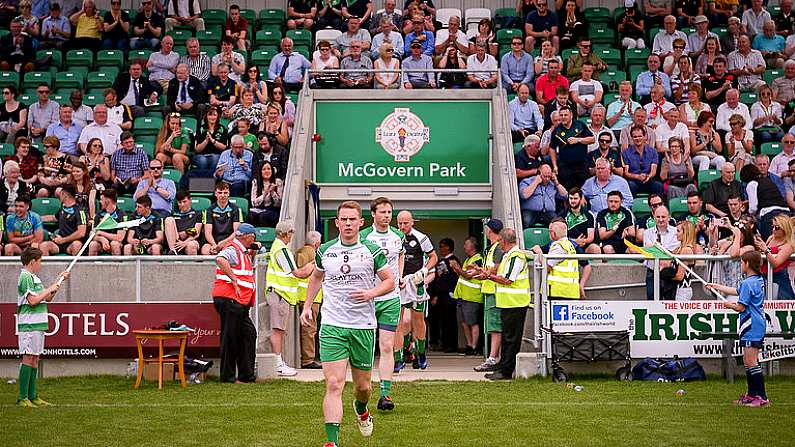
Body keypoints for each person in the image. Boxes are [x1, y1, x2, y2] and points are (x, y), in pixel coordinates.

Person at [300, 201, 395, 447]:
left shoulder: (372, 250)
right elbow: (316, 277)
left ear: (361, 222)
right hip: (332, 325)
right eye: (344, 219)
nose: (348, 223)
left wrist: (371, 293)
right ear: (337, 223)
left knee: (363, 387)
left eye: (353, 219)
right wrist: (307, 306)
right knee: (333, 384)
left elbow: (389, 281)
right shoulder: (325, 250)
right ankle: (332, 442)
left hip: (362, 326)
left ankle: (361, 408)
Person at [706, 251, 770, 407]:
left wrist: (730, 305)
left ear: (747, 264)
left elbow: (741, 307)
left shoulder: (749, 283)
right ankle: (751, 394)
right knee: (748, 361)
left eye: (741, 262)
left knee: (751, 361)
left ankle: (761, 397)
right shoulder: (755, 280)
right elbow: (736, 291)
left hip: (751, 324)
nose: (740, 265)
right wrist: (716, 286)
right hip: (753, 323)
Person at [358, 197, 405, 409]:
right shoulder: (364, 236)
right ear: (373, 214)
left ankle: (385, 394)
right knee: (365, 348)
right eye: (383, 212)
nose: (387, 216)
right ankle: (363, 389)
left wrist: (400, 277)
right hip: (368, 299)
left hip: (391, 299)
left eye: (389, 212)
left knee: (386, 346)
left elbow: (400, 256)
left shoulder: (398, 236)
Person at [14, 247, 69, 408]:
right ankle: (23, 397)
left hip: (39, 323)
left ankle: (33, 396)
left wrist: (58, 281)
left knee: (35, 357)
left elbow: (47, 298)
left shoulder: (35, 278)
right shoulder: (25, 277)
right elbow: (32, 301)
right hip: (29, 324)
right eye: (40, 261)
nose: (41, 264)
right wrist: (50, 288)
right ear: (32, 261)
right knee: (28, 357)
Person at [263, 221, 314, 376]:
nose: (292, 236)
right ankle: (278, 364)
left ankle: (279, 362)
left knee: (280, 330)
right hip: (279, 295)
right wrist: (313, 266)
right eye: (291, 232)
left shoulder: (279, 248)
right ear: (285, 233)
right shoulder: (281, 250)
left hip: (281, 295)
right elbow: (298, 274)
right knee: (278, 331)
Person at [211, 222, 258, 383]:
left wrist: (255, 247)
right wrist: (234, 280)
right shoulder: (233, 250)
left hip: (238, 301)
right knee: (230, 337)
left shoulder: (242, 250)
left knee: (248, 334)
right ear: (248, 237)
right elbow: (220, 259)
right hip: (231, 299)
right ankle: (228, 377)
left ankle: (246, 375)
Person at [483, 228, 530, 381]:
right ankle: (503, 367)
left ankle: (506, 371)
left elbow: (508, 279)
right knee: (507, 338)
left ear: (504, 241)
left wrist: (490, 277)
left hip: (515, 304)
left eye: (500, 242)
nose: (499, 244)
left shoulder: (516, 256)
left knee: (511, 339)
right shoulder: (509, 255)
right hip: (509, 303)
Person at [395, 210, 437, 371]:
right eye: (400, 223)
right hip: (399, 283)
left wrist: (424, 271)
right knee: (398, 322)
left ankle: (421, 353)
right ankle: (399, 358)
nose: (402, 226)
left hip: (416, 282)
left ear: (412, 222)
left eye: (406, 223)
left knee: (417, 320)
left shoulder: (421, 237)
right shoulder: (393, 238)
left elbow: (433, 257)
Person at [472, 218, 504, 373]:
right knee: (492, 326)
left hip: (494, 292)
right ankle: (494, 358)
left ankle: (493, 358)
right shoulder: (492, 248)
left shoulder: (498, 248)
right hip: (490, 291)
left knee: (495, 327)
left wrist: (483, 274)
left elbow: (497, 269)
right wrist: (479, 271)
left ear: (489, 230)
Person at [637, 205, 680, 300]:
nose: (660, 220)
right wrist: (662, 250)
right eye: (658, 217)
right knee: (652, 302)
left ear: (669, 217)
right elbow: (650, 252)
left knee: (669, 302)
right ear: (653, 217)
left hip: (669, 272)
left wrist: (657, 249)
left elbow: (672, 252)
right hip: (652, 271)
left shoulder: (676, 232)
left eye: (663, 217)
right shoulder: (647, 233)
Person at [451, 236, 483, 356]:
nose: (464, 246)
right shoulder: (467, 259)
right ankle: (469, 345)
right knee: (464, 322)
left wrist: (456, 268)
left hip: (472, 297)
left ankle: (475, 346)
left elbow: (468, 275)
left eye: (466, 244)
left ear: (473, 246)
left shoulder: (478, 259)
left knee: (472, 322)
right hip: (462, 296)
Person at [549, 106, 594, 190]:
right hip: (565, 166)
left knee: (584, 190)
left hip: (582, 165)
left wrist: (578, 140)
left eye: (565, 115)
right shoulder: (556, 130)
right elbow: (552, 148)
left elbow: (592, 139)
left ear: (571, 115)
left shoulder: (580, 125)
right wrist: (555, 166)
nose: (563, 117)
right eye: (561, 115)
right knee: (567, 192)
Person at [295, 230, 322, 369]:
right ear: (317, 243)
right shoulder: (315, 255)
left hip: (300, 295)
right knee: (310, 330)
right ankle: (308, 359)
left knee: (307, 329)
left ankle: (308, 357)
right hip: (312, 298)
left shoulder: (299, 251)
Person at [39, 185, 88, 256]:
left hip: (72, 242)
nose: (59, 197)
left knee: (76, 245)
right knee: (44, 246)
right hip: (60, 241)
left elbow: (81, 233)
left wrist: (63, 240)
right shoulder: (63, 208)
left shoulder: (80, 211)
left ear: (64, 195)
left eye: (60, 194)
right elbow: (53, 218)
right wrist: (36, 218)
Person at [519, 164, 568, 228]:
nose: (547, 179)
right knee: (526, 221)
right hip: (531, 211)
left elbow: (565, 196)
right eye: (545, 176)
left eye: (549, 176)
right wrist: (536, 182)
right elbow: (524, 195)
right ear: (539, 173)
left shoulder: (552, 184)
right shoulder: (527, 181)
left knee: (558, 224)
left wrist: (556, 182)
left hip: (548, 212)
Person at [200, 181, 243, 255]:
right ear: (215, 194)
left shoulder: (236, 209)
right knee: (205, 250)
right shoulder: (209, 210)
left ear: (229, 193)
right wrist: (214, 245)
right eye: (220, 193)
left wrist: (223, 243)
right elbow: (208, 233)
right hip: (213, 242)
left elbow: (236, 232)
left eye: (225, 193)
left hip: (229, 242)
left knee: (231, 251)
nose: (223, 195)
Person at [623, 125, 664, 197]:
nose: (637, 139)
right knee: (630, 185)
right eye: (635, 137)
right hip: (634, 181)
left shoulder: (653, 151)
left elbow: (653, 170)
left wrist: (648, 176)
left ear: (645, 137)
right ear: (631, 138)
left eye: (640, 136)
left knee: (659, 186)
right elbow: (626, 173)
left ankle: (658, 206)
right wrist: (637, 176)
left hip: (649, 179)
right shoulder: (626, 153)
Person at [595, 190, 636, 254]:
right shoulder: (602, 214)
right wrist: (613, 230)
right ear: (607, 201)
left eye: (616, 202)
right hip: (608, 243)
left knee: (634, 250)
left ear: (621, 202)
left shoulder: (626, 213)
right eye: (611, 201)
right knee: (607, 249)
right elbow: (602, 235)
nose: (613, 204)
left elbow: (632, 232)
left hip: (624, 242)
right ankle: (614, 264)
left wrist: (627, 232)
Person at [88, 189, 126, 256]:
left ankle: (117, 266)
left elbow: (120, 237)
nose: (100, 202)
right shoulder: (99, 214)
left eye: (101, 199)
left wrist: (101, 233)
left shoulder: (122, 215)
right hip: (101, 243)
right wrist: (101, 239)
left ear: (107, 201)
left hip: (116, 243)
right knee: (93, 244)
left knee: (114, 244)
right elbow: (92, 234)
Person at [163, 190, 201, 256]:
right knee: (169, 219)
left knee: (192, 245)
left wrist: (184, 241)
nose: (182, 204)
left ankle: (192, 266)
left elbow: (196, 232)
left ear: (190, 200)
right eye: (180, 202)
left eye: (184, 201)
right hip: (176, 241)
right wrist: (181, 235)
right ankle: (173, 251)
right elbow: (171, 233)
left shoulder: (197, 214)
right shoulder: (173, 215)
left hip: (190, 241)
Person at [109, 131, 148, 196]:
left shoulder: (141, 153)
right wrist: (114, 179)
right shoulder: (116, 154)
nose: (129, 144)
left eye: (131, 142)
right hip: (120, 184)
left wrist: (138, 180)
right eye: (126, 143)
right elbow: (112, 174)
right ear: (121, 144)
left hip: (135, 183)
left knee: (140, 189)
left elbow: (147, 174)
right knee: (113, 189)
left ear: (134, 141)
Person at [248, 161, 282, 227]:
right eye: (264, 169)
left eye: (269, 169)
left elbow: (279, 204)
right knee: (251, 215)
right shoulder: (256, 182)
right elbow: (254, 203)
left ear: (272, 171)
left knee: (263, 216)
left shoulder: (278, 182)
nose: (266, 171)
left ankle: (265, 236)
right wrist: (265, 194)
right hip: (259, 208)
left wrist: (272, 192)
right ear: (260, 171)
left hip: (273, 209)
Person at [194, 106, 226, 172]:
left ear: (218, 117)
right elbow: (197, 149)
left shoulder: (222, 129)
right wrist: (206, 141)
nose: (212, 117)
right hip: (201, 155)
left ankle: (212, 180)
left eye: (214, 115)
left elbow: (224, 147)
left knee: (215, 158)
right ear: (206, 116)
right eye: (210, 115)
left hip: (216, 154)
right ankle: (203, 181)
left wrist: (213, 141)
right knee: (203, 161)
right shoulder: (200, 129)